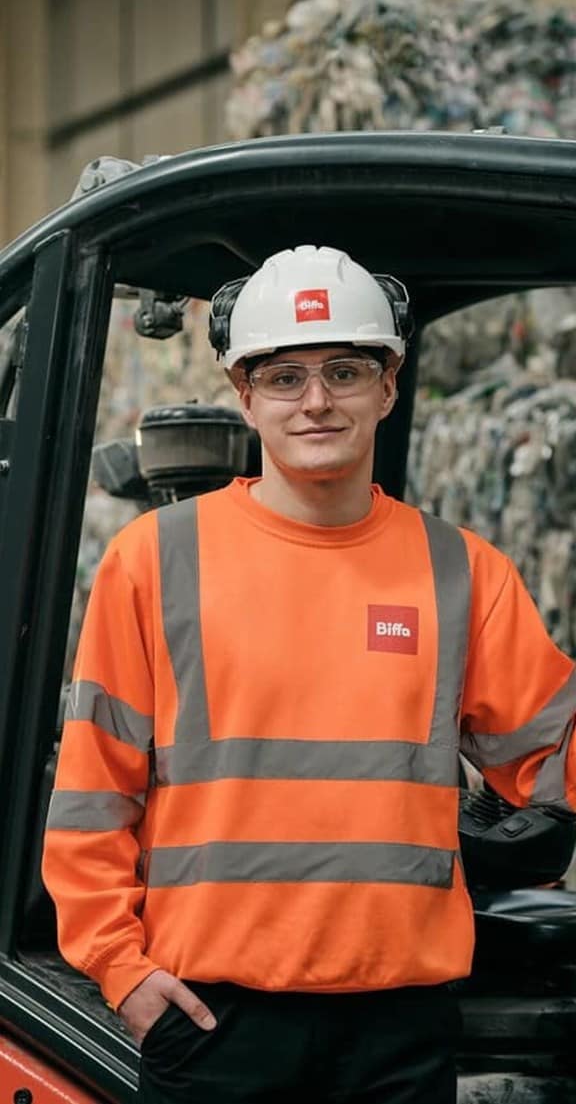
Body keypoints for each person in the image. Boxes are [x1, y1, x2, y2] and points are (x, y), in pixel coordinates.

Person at [42, 245, 576, 1104]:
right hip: (214, 1022)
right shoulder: (157, 560)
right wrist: (120, 967)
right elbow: (93, 791)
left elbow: (556, 750)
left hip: (397, 1027)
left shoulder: (459, 571)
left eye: (344, 369)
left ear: (389, 386)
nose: (317, 399)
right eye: (284, 376)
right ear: (244, 393)